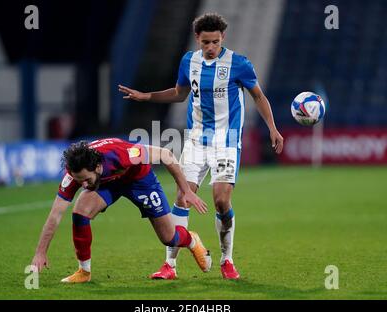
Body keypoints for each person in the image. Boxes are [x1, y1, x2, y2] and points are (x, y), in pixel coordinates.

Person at [118, 13, 284, 280]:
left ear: (222, 39)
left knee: (220, 201)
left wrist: (273, 128)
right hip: (196, 140)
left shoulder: (238, 64)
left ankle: (226, 260)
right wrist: (147, 96)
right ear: (198, 39)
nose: (210, 47)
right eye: (205, 42)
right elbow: (179, 93)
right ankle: (170, 266)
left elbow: (258, 96)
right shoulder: (189, 61)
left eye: (215, 42)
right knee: (182, 198)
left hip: (226, 141)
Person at [31, 137, 212, 283]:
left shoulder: (122, 155)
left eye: (85, 179)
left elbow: (166, 155)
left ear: (98, 167)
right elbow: (55, 215)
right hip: (108, 184)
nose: (82, 184)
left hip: (140, 180)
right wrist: (40, 252)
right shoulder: (73, 176)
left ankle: (191, 240)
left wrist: (186, 191)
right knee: (80, 213)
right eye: (79, 181)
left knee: (169, 238)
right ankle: (84, 272)